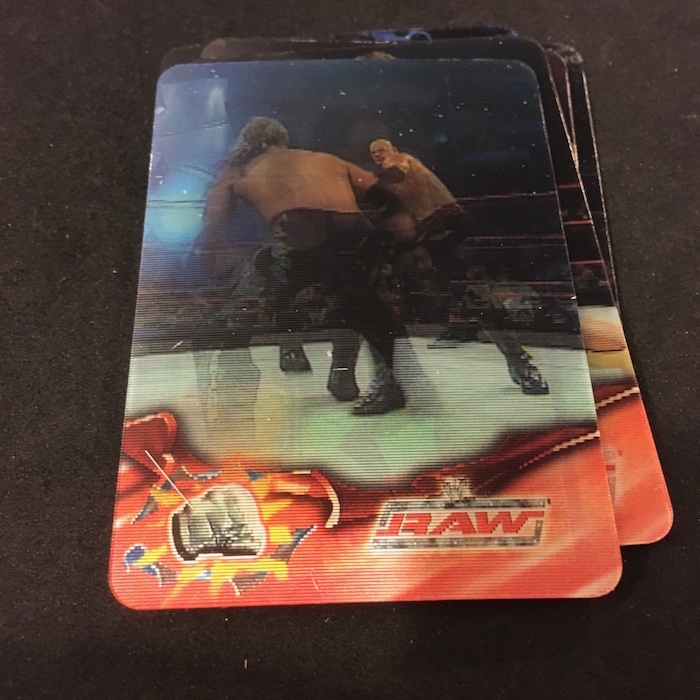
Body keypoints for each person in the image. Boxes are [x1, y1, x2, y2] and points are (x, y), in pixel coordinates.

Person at [195, 117, 408, 415]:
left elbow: (214, 221)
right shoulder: (325, 159)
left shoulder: (238, 169)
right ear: (284, 140)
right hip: (357, 232)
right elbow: (383, 194)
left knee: (240, 315)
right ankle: (363, 379)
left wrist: (213, 253)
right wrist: (406, 238)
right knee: (363, 306)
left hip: (298, 232)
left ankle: (236, 389)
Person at [367, 139, 549, 395]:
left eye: (382, 150)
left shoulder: (400, 160)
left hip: (440, 226)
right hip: (430, 232)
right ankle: (515, 360)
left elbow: (395, 172)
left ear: (393, 149)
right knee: (462, 295)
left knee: (471, 295)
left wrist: (364, 183)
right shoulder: (391, 183)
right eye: (374, 153)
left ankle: (520, 362)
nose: (378, 155)